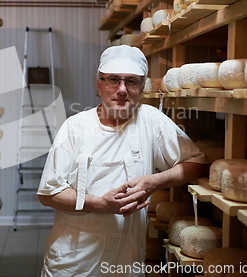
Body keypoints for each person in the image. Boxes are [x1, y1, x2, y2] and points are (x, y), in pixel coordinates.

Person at [37, 45, 210, 277]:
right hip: (74, 258)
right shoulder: (76, 127)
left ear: (142, 87)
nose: (121, 90)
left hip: (126, 259)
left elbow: (196, 162)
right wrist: (99, 204)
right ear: (98, 84)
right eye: (113, 80)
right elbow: (48, 194)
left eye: (131, 81)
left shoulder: (151, 121)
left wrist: (154, 181)